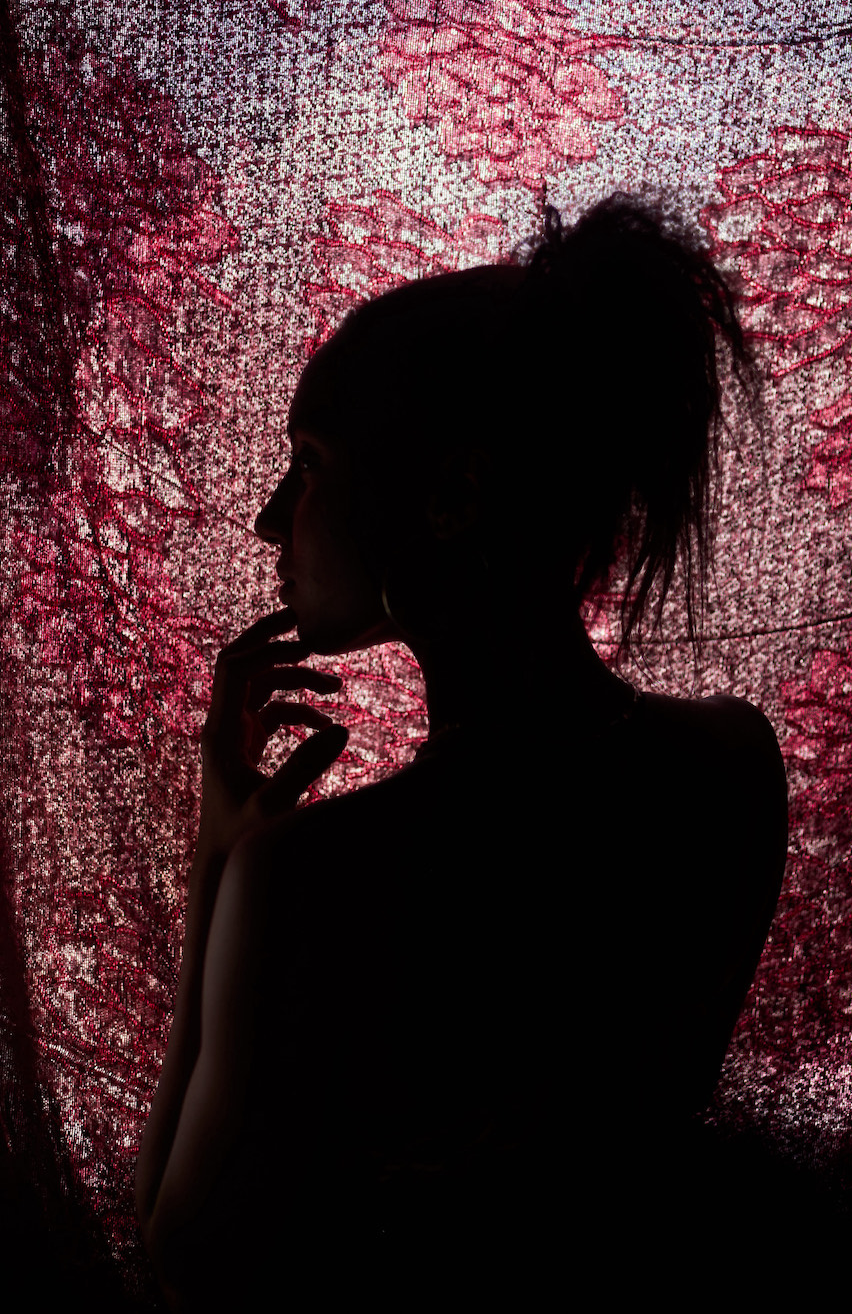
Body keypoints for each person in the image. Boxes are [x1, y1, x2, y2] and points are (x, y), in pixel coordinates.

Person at [135, 191, 788, 1309]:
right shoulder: (733, 763)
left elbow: (170, 1259)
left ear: (452, 495)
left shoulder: (307, 878)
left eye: (310, 460)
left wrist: (217, 867)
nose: (268, 518)